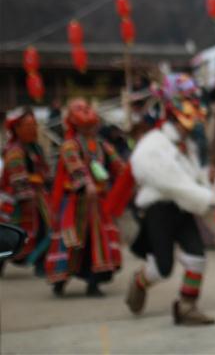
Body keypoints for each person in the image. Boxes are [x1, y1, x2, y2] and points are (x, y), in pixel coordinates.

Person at [125, 73, 215, 325]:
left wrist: (209, 188)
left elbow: (192, 177)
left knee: (197, 257)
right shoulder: (154, 143)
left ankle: (187, 307)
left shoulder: (187, 145)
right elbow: (168, 181)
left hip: (184, 207)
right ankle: (139, 281)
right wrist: (205, 196)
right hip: (160, 209)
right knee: (162, 268)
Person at [46, 98, 126, 296]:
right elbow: (75, 167)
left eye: (92, 125)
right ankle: (61, 281)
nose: (91, 129)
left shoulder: (102, 145)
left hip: (97, 203)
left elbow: (117, 164)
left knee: (96, 242)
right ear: (76, 125)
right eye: (86, 126)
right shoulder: (69, 145)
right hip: (75, 202)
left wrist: (130, 174)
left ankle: (94, 283)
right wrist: (87, 183)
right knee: (72, 242)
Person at [0, 107, 53, 276]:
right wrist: (28, 192)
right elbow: (17, 177)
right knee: (10, 233)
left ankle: (39, 263)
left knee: (46, 229)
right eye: (28, 125)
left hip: (37, 197)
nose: (33, 129)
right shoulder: (14, 150)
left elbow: (44, 171)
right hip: (15, 200)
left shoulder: (35, 148)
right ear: (16, 128)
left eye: (34, 125)